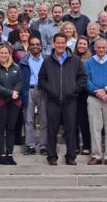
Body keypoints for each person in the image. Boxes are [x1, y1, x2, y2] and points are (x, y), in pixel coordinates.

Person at [39, 33, 88, 166]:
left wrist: (74, 90)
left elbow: (82, 78)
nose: (60, 45)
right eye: (58, 43)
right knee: (52, 129)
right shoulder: (48, 61)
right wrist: (50, 90)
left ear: (66, 44)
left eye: (62, 43)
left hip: (70, 100)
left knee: (71, 129)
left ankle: (71, 156)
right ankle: (52, 156)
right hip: (53, 100)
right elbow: (41, 80)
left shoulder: (75, 60)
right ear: (54, 44)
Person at [0, 44, 23, 165]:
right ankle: (2, 155)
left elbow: (19, 82)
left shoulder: (16, 68)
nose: (4, 55)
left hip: (14, 102)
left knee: (11, 128)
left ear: (9, 54)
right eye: (1, 53)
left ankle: (9, 154)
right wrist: (10, 93)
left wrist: (15, 92)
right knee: (0, 128)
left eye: (6, 53)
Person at [85, 38, 107, 166]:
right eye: (98, 47)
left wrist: (106, 90)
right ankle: (96, 155)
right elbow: (86, 81)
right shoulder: (88, 62)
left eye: (103, 47)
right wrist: (98, 92)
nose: (101, 50)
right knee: (95, 128)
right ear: (94, 48)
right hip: (94, 98)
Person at [19, 37, 47, 156]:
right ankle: (30, 145)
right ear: (29, 46)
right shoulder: (23, 61)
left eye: (37, 44)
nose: (35, 46)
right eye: (32, 44)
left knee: (44, 120)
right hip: (28, 90)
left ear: (41, 46)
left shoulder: (47, 60)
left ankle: (43, 146)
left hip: (43, 90)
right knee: (28, 120)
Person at [74, 37, 92, 156]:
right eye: (80, 43)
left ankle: (86, 146)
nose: (82, 46)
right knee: (72, 120)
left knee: (84, 120)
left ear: (87, 46)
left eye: (84, 44)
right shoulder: (71, 58)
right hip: (72, 92)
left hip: (85, 93)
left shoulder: (90, 59)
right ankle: (74, 146)